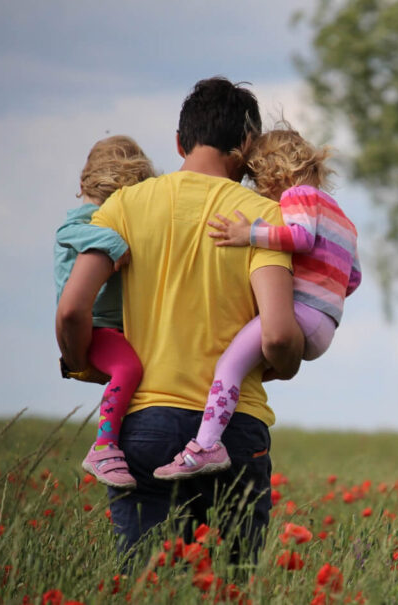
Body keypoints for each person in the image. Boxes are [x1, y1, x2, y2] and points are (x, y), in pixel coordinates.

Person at [55, 77, 304, 560]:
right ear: (248, 145)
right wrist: (288, 361)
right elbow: (276, 335)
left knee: (147, 582)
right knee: (230, 586)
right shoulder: (263, 218)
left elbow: (71, 308)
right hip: (234, 430)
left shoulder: (124, 206)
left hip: (144, 424)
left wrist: (82, 360)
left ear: (179, 141)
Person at [153, 126, 362, 480]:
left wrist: (247, 234)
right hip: (326, 324)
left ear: (273, 172)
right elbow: (352, 278)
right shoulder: (343, 218)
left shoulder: (298, 196)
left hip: (301, 314)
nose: (259, 191)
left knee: (229, 366)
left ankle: (206, 445)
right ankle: (216, 430)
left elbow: (300, 237)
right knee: (248, 365)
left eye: (257, 180)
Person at [54, 135, 156, 489]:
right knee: (128, 368)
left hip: (114, 327)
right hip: (96, 326)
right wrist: (114, 243)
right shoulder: (85, 221)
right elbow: (69, 231)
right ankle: (104, 446)